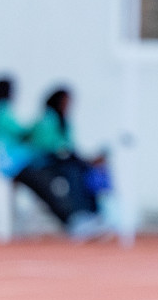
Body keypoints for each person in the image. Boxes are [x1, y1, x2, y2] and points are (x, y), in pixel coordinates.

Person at [21, 87, 112, 239]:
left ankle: (92, 216)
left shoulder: (64, 122)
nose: (68, 105)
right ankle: (77, 218)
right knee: (73, 172)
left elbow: (69, 149)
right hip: (42, 164)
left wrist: (88, 161)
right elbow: (54, 148)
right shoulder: (47, 120)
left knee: (87, 171)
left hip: (62, 162)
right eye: (65, 101)